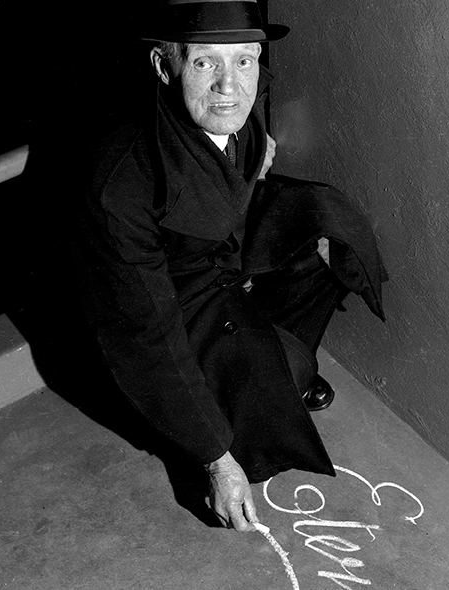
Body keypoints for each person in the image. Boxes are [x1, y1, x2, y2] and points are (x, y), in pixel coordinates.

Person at [76, 0, 386, 533]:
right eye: (204, 63)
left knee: (324, 233)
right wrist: (217, 462)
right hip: (173, 305)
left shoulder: (243, 101)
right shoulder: (123, 184)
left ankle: (276, 365)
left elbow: (238, 174)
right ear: (164, 66)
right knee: (276, 384)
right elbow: (146, 336)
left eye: (243, 61)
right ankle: (232, 410)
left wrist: (256, 176)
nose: (229, 86)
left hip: (222, 264)